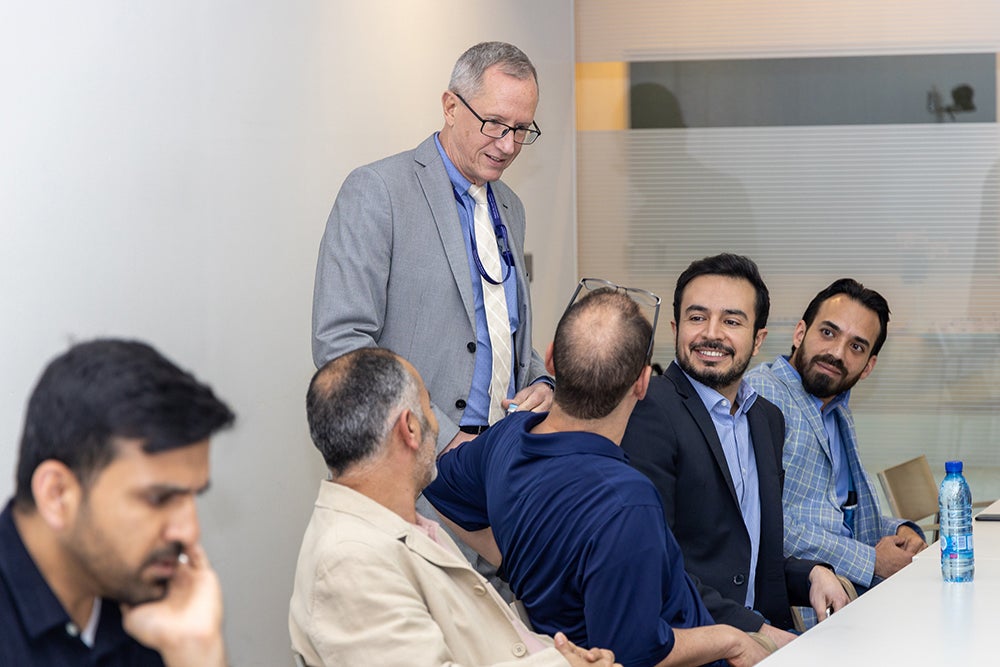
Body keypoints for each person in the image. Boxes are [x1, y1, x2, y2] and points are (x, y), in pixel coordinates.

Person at [424, 285, 772, 667]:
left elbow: (439, 484)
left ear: (552, 360)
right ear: (642, 383)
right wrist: (730, 641)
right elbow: (635, 653)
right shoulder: (626, 502)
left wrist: (514, 561)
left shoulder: (507, 437)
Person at [289, 347, 619, 667]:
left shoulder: (402, 526)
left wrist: (568, 656)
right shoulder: (347, 563)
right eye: (429, 409)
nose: (436, 424)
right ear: (411, 428)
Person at [311, 40, 553, 456]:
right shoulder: (379, 191)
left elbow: (501, 329)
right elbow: (341, 343)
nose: (509, 145)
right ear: (451, 106)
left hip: (502, 452)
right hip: (409, 458)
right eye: (494, 123)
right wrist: (437, 434)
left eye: (521, 129)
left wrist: (541, 384)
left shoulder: (511, 206)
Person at [620, 255, 849, 647]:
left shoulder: (766, 419)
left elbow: (749, 557)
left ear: (758, 338)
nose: (712, 334)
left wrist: (812, 574)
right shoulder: (647, 410)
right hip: (693, 640)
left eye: (731, 321)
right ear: (674, 328)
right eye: (697, 318)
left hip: (759, 632)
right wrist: (756, 630)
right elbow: (653, 565)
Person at [0, 339, 235, 667]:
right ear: (57, 494)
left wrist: (196, 652)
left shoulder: (148, 603)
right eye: (158, 499)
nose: (189, 532)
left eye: (193, 496)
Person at [745, 279, 926, 598]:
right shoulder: (760, 397)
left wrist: (900, 530)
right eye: (827, 333)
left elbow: (840, 516)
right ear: (800, 333)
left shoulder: (836, 408)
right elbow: (763, 522)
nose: (836, 353)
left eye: (856, 346)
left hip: (858, 593)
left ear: (868, 366)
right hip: (808, 602)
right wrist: (871, 561)